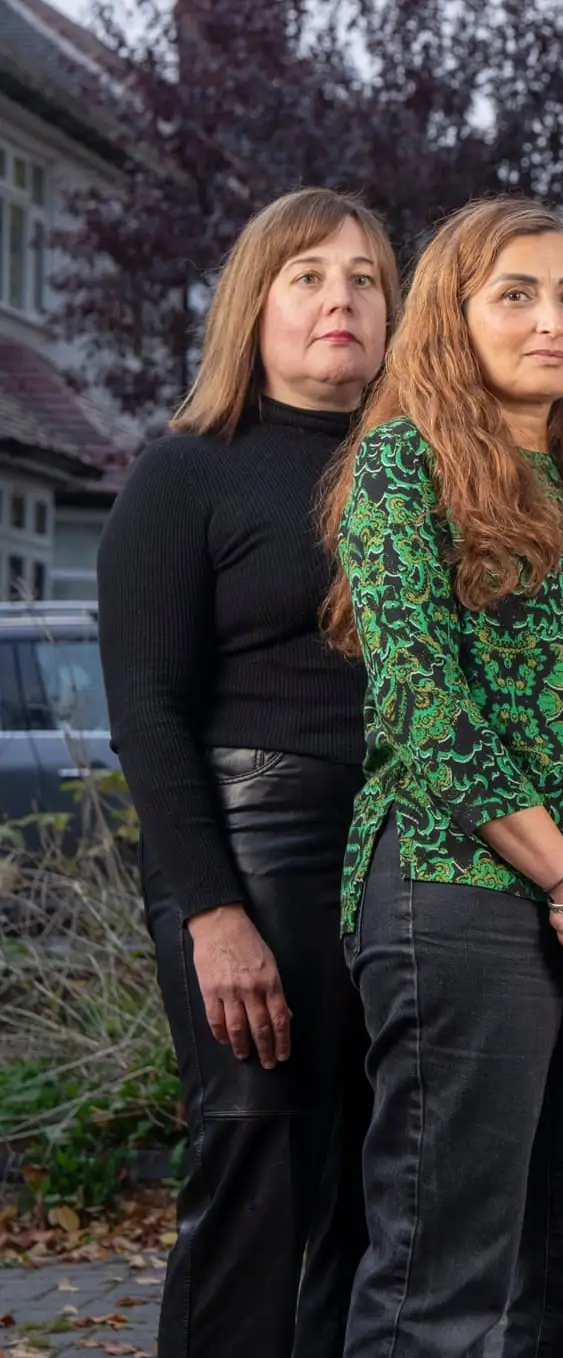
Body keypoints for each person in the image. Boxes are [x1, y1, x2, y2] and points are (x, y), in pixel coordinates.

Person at [325, 197, 563, 1355]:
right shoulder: (403, 463)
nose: (552, 321)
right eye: (517, 295)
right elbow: (425, 704)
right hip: (460, 892)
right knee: (445, 1271)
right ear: (455, 313)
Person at [98, 187, 395, 1357]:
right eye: (308, 274)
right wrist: (215, 916)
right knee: (258, 1160)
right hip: (251, 851)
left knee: (372, 1187)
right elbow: (146, 711)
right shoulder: (186, 473)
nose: (342, 298)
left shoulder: (419, 472)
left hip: (403, 849)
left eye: (367, 277)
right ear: (254, 304)